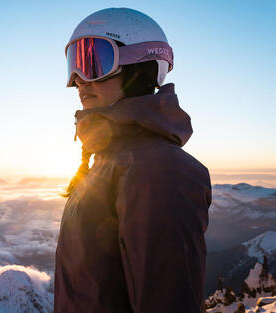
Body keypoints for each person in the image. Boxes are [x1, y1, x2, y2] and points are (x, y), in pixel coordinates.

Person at [54, 8, 212, 313]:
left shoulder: (160, 171)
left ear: (139, 69)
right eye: (74, 63)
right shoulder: (107, 161)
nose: (78, 81)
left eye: (93, 61)